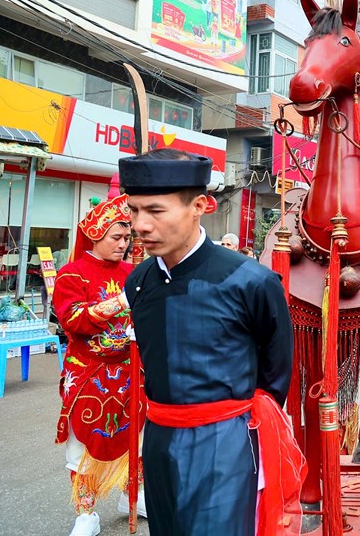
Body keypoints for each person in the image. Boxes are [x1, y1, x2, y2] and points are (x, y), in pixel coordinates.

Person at [119, 148, 302, 535]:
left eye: (155, 211)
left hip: (225, 443)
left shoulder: (251, 282)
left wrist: (232, 425)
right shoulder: (138, 283)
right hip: (159, 438)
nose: (141, 225)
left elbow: (276, 373)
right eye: (134, 211)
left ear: (200, 205)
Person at [54, 195, 142, 536]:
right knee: (82, 443)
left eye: (126, 238)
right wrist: (122, 300)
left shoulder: (133, 271)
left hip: (129, 369)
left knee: (137, 437)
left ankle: (131, 495)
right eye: (115, 238)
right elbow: (73, 320)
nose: (123, 244)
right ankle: (86, 513)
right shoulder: (71, 274)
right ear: (95, 235)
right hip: (88, 371)